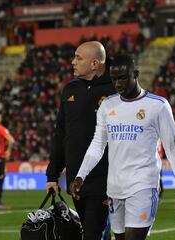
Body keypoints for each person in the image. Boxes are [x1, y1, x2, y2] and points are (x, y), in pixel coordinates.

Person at [70, 54, 175, 240]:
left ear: (136, 74)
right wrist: (80, 175)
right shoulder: (107, 106)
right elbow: (97, 145)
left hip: (143, 184)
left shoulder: (157, 106)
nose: (118, 84)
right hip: (115, 188)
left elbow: (173, 148)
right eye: (114, 79)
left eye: (123, 77)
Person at [46, 41, 115, 240]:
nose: (72, 62)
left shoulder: (114, 89)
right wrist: (52, 174)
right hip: (76, 178)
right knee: (91, 231)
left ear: (95, 63)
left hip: (104, 177)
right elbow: (61, 134)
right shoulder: (70, 89)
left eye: (78, 58)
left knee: (93, 233)